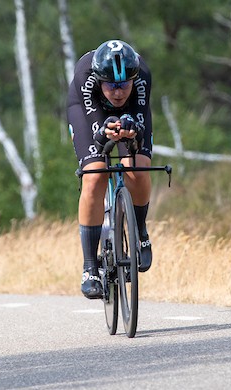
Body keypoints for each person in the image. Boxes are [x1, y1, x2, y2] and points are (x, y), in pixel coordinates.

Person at [67, 39, 154, 299]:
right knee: (95, 176)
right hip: (87, 112)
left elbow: (139, 118)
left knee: (138, 169)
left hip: (130, 114)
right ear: (99, 79)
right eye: (112, 85)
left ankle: (140, 231)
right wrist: (106, 131)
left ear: (134, 78)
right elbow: (97, 134)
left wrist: (132, 130)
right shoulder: (85, 73)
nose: (118, 92)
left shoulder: (142, 76)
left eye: (124, 84)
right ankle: (90, 267)